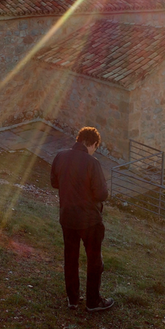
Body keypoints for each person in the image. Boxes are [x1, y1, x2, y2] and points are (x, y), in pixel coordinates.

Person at [51, 126, 114, 312]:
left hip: (67, 217)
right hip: (89, 221)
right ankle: (93, 301)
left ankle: (72, 298)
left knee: (70, 258)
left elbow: (54, 183)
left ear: (79, 139)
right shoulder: (92, 163)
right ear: (93, 144)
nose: (94, 150)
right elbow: (102, 194)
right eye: (95, 147)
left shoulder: (60, 156)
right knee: (94, 260)